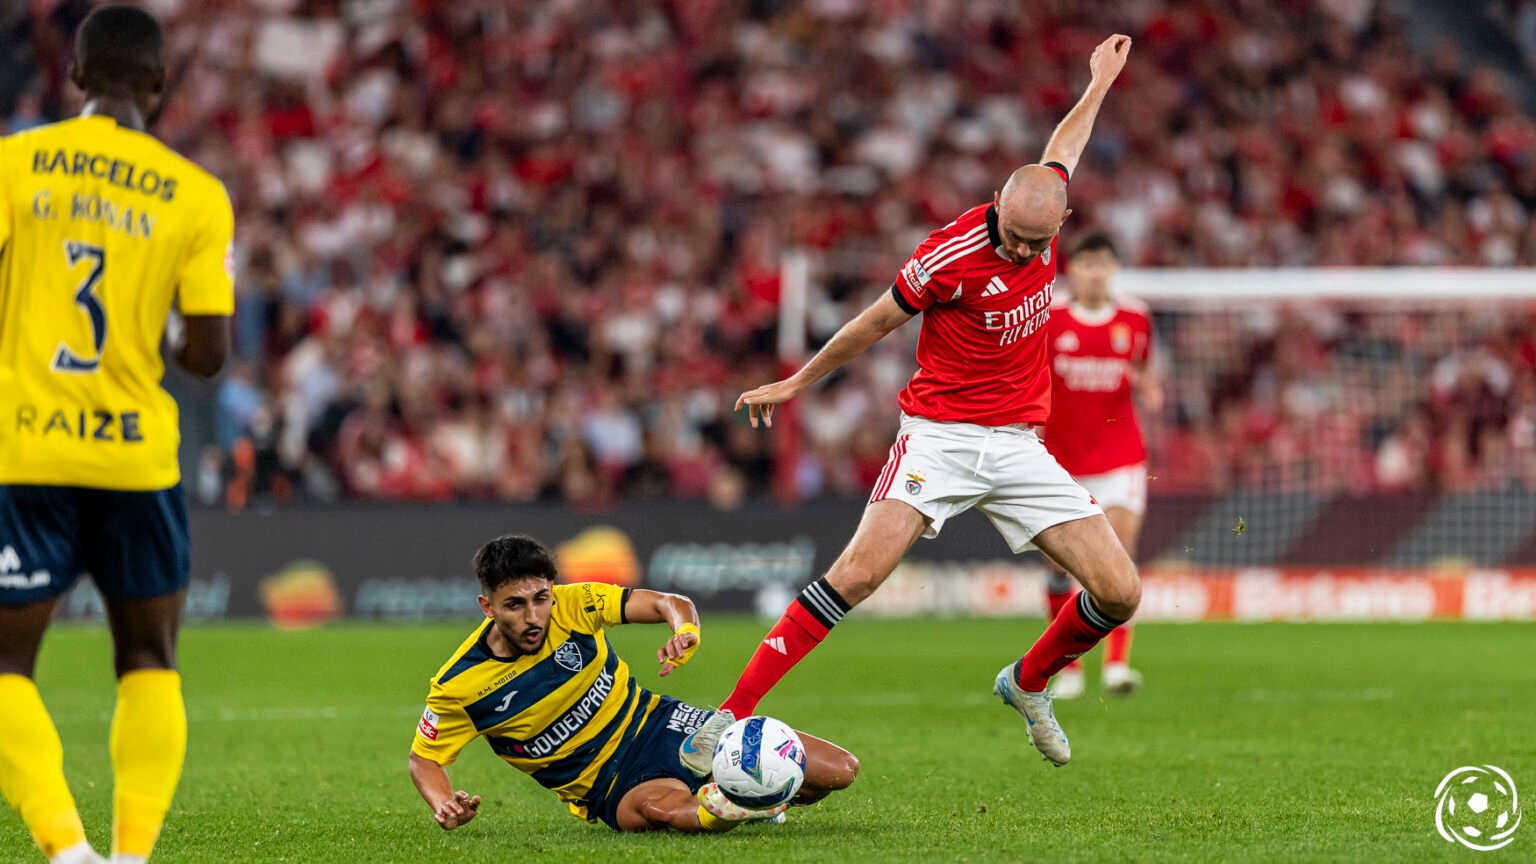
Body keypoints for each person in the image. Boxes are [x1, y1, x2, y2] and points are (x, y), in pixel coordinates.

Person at [680, 34, 1137, 773]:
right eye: (1016, 239)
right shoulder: (951, 255)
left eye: (1037, 243)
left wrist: (1099, 82)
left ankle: (1026, 683)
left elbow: (1064, 145)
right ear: (998, 208)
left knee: (1120, 592)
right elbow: (873, 322)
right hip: (940, 437)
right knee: (855, 576)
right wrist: (798, 382)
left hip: (1020, 444)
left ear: (1062, 218)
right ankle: (726, 717)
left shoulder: (1047, 207)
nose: (1024, 254)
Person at [0, 7, 234, 864]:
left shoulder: (13, 165)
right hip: (135, 454)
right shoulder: (196, 195)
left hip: (25, 447)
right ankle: (131, 856)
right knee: (147, 657)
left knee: (4, 666)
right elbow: (208, 354)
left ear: (75, 76)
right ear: (161, 84)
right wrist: (161, 331)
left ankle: (67, 853)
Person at [408, 534, 858, 833]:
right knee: (662, 811)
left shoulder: (573, 604)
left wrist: (685, 630)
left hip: (664, 725)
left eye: (540, 598)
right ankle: (730, 803)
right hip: (610, 782)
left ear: (552, 590)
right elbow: (424, 758)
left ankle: (742, 797)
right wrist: (444, 803)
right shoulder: (459, 684)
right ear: (487, 606)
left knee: (838, 773)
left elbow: (668, 602)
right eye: (514, 605)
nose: (533, 616)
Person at [1040, 232, 1161, 700]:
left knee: (1119, 552)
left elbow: (1142, 367)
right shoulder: (1051, 319)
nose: (1095, 272)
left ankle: (1116, 666)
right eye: (1087, 263)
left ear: (1113, 269)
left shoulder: (1135, 317)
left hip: (1120, 456)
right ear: (1073, 270)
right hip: (1062, 460)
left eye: (1103, 264)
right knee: (1059, 566)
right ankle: (1067, 668)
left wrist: (1149, 387)